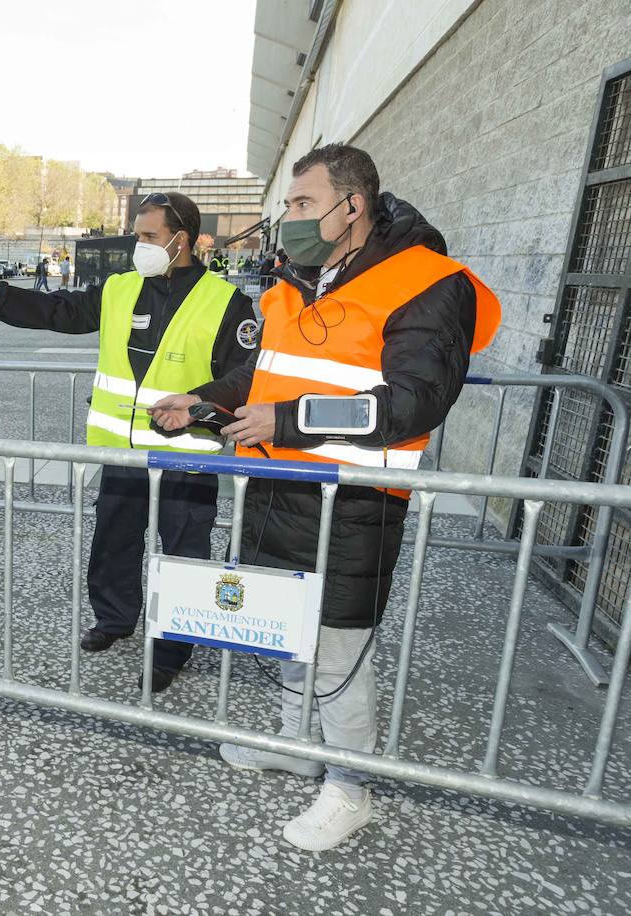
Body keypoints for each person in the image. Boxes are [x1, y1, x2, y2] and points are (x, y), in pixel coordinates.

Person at [151, 143, 500, 851]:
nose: (291, 219)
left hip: (355, 500)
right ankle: (293, 741)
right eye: (288, 205)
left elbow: (413, 401)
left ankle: (349, 787)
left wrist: (287, 422)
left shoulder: (430, 284)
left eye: (303, 205)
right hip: (278, 491)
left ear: (352, 207)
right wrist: (202, 401)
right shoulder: (299, 283)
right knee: (287, 628)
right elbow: (261, 374)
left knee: (340, 651)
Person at [0, 192, 258, 693]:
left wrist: (200, 402)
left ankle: (172, 648)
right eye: (137, 234)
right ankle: (114, 620)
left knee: (182, 555)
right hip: (120, 452)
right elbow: (57, 310)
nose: (138, 246)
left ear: (180, 239)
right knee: (114, 542)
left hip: (186, 458)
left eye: (148, 237)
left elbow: (246, 376)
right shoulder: (120, 288)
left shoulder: (229, 303)